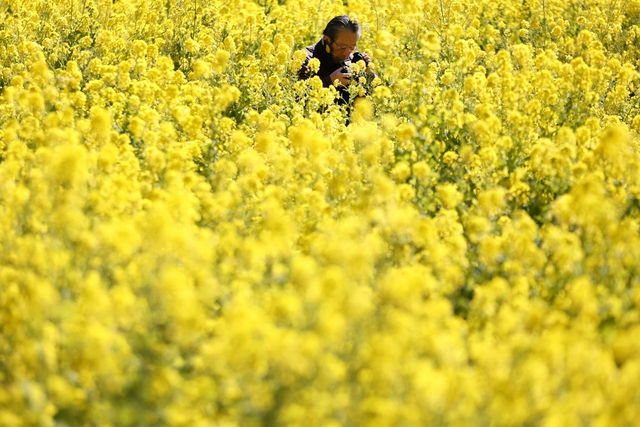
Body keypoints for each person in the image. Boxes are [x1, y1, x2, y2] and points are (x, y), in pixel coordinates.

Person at [297, 15, 376, 111]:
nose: (347, 53)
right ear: (327, 40)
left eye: (352, 47)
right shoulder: (305, 59)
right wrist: (329, 81)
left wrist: (367, 75)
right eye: (342, 47)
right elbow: (296, 97)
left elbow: (379, 98)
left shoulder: (351, 60)